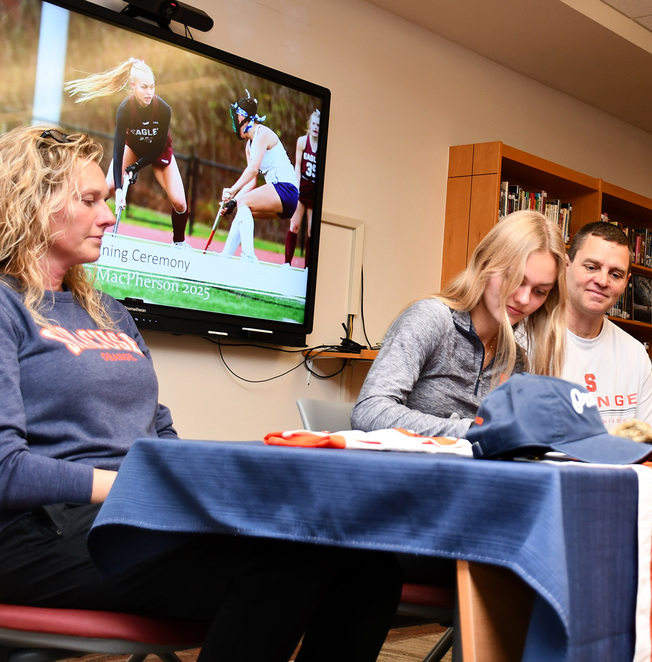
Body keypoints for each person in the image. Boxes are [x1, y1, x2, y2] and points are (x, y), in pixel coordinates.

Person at [0, 124, 402, 662]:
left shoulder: (110, 311)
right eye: (90, 200)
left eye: (107, 199)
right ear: (33, 203)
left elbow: (157, 426)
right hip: (42, 531)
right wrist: (138, 487)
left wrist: (211, 484)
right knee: (285, 568)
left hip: (137, 516)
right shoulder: (7, 308)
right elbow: (7, 470)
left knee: (369, 565)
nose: (110, 216)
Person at [352, 209, 567, 438]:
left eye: (539, 291)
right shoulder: (432, 319)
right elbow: (369, 411)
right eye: (514, 279)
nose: (524, 299)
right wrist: (471, 430)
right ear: (485, 263)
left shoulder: (515, 360)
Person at [65, 58, 190, 249]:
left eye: (152, 87)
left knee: (180, 202)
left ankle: (179, 244)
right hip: (132, 147)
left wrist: (135, 168)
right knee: (107, 187)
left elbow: (156, 148)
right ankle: (83, 230)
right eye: (144, 87)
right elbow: (118, 148)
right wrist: (121, 189)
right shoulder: (124, 109)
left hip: (159, 150)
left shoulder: (163, 109)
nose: (149, 92)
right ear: (133, 86)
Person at [561, 221, 652, 436]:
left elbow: (650, 445)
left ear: (626, 283)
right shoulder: (527, 342)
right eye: (591, 267)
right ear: (566, 266)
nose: (602, 281)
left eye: (615, 274)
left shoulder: (636, 355)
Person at [219, 90, 299, 262]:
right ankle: (224, 258)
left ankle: (249, 258)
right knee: (242, 209)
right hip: (280, 194)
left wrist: (232, 191)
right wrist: (232, 202)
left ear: (241, 118)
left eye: (235, 117)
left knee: (243, 202)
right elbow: (251, 182)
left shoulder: (262, 134)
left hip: (287, 190)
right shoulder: (249, 145)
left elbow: (253, 169)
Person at [285, 108, 320, 267]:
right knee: (294, 225)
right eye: (313, 123)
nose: (315, 127)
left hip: (314, 193)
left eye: (318, 125)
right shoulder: (302, 141)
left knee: (312, 231)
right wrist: (296, 187)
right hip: (302, 189)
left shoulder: (323, 146)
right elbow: (298, 166)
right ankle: (287, 264)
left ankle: (307, 268)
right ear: (309, 124)